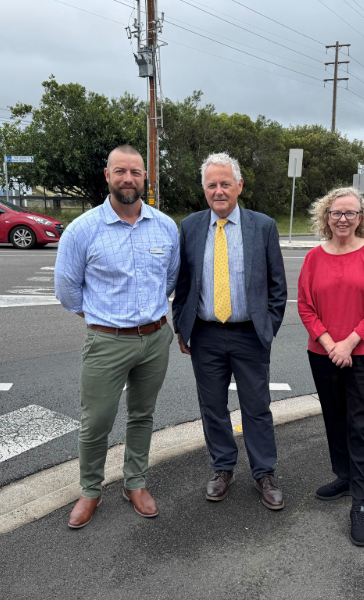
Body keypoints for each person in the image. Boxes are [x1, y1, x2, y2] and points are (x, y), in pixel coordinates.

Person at [55, 144, 179, 529]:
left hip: (156, 338)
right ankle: (91, 490)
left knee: (142, 415)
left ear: (145, 178)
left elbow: (170, 279)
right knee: (96, 422)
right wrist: (101, 320)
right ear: (107, 176)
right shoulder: (82, 230)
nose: (128, 179)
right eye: (120, 171)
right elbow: (67, 289)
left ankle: (135, 482)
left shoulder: (165, 226)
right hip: (106, 341)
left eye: (136, 172)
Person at [172, 153, 287, 510]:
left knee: (257, 407)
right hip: (205, 334)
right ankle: (222, 469)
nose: (218, 191)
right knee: (213, 407)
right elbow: (183, 283)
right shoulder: (190, 226)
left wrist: (266, 329)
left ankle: (264, 473)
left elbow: (277, 286)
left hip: (249, 334)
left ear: (239, 186)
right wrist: (182, 325)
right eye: (212, 185)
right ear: (204, 189)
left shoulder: (263, 226)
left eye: (225, 183)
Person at [297, 186, 364, 546]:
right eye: (336, 213)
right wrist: (329, 343)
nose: (342, 219)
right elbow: (305, 306)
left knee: (362, 425)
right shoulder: (313, 257)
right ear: (325, 217)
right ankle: (343, 475)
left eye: (350, 213)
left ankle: (360, 500)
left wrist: (349, 342)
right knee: (335, 418)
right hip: (323, 353)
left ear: (361, 218)